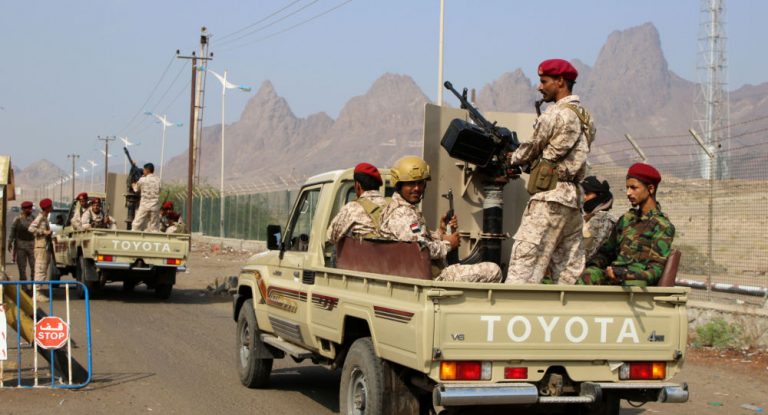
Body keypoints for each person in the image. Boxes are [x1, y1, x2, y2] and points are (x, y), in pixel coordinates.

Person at [505, 59, 596, 285]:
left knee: (526, 262)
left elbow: (531, 147)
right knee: (568, 270)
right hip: (572, 201)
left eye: (544, 81)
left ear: (560, 81)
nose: (540, 87)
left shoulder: (555, 114)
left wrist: (512, 157)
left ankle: (513, 305)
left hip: (550, 197)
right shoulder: (586, 118)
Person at [379, 156, 501, 283]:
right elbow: (421, 250)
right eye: (410, 183)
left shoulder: (399, 209)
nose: (417, 188)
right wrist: (449, 244)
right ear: (399, 185)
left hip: (419, 273)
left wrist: (440, 233)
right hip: (427, 277)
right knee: (494, 270)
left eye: (420, 183)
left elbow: (417, 237)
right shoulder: (402, 214)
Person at [577, 163, 675, 286]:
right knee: (589, 274)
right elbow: (606, 252)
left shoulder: (662, 225)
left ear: (650, 189)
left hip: (634, 283)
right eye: (627, 188)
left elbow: (655, 270)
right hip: (615, 275)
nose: (628, 193)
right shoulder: (626, 220)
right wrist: (592, 266)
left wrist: (625, 275)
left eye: (633, 188)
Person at [326, 163, 390, 244]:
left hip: (363, 252)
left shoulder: (352, 208)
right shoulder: (393, 206)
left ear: (357, 185)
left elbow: (332, 236)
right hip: (393, 252)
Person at [581, 176, 616, 262]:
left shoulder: (601, 219)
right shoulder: (589, 217)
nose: (583, 197)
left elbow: (585, 255)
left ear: (600, 195)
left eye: (587, 193)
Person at [28, 198, 53, 300]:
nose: (52, 207)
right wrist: (44, 232)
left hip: (44, 247)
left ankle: (38, 291)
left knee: (42, 270)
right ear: (47, 207)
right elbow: (31, 228)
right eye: (50, 206)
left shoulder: (45, 218)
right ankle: (37, 293)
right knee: (40, 270)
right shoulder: (40, 217)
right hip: (41, 247)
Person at [7, 201, 36, 281]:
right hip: (20, 247)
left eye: (30, 208)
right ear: (23, 209)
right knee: (22, 268)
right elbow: (12, 231)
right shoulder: (17, 219)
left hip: (32, 246)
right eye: (28, 208)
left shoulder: (34, 219)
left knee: (34, 267)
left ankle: (33, 285)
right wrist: (10, 242)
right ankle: (24, 286)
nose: (30, 210)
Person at [131, 162, 161, 232]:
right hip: (155, 206)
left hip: (144, 206)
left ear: (147, 170)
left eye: (144, 170)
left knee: (136, 225)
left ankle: (134, 237)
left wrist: (133, 184)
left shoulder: (142, 180)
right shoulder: (158, 180)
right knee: (154, 227)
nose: (143, 171)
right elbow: (159, 190)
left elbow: (136, 189)